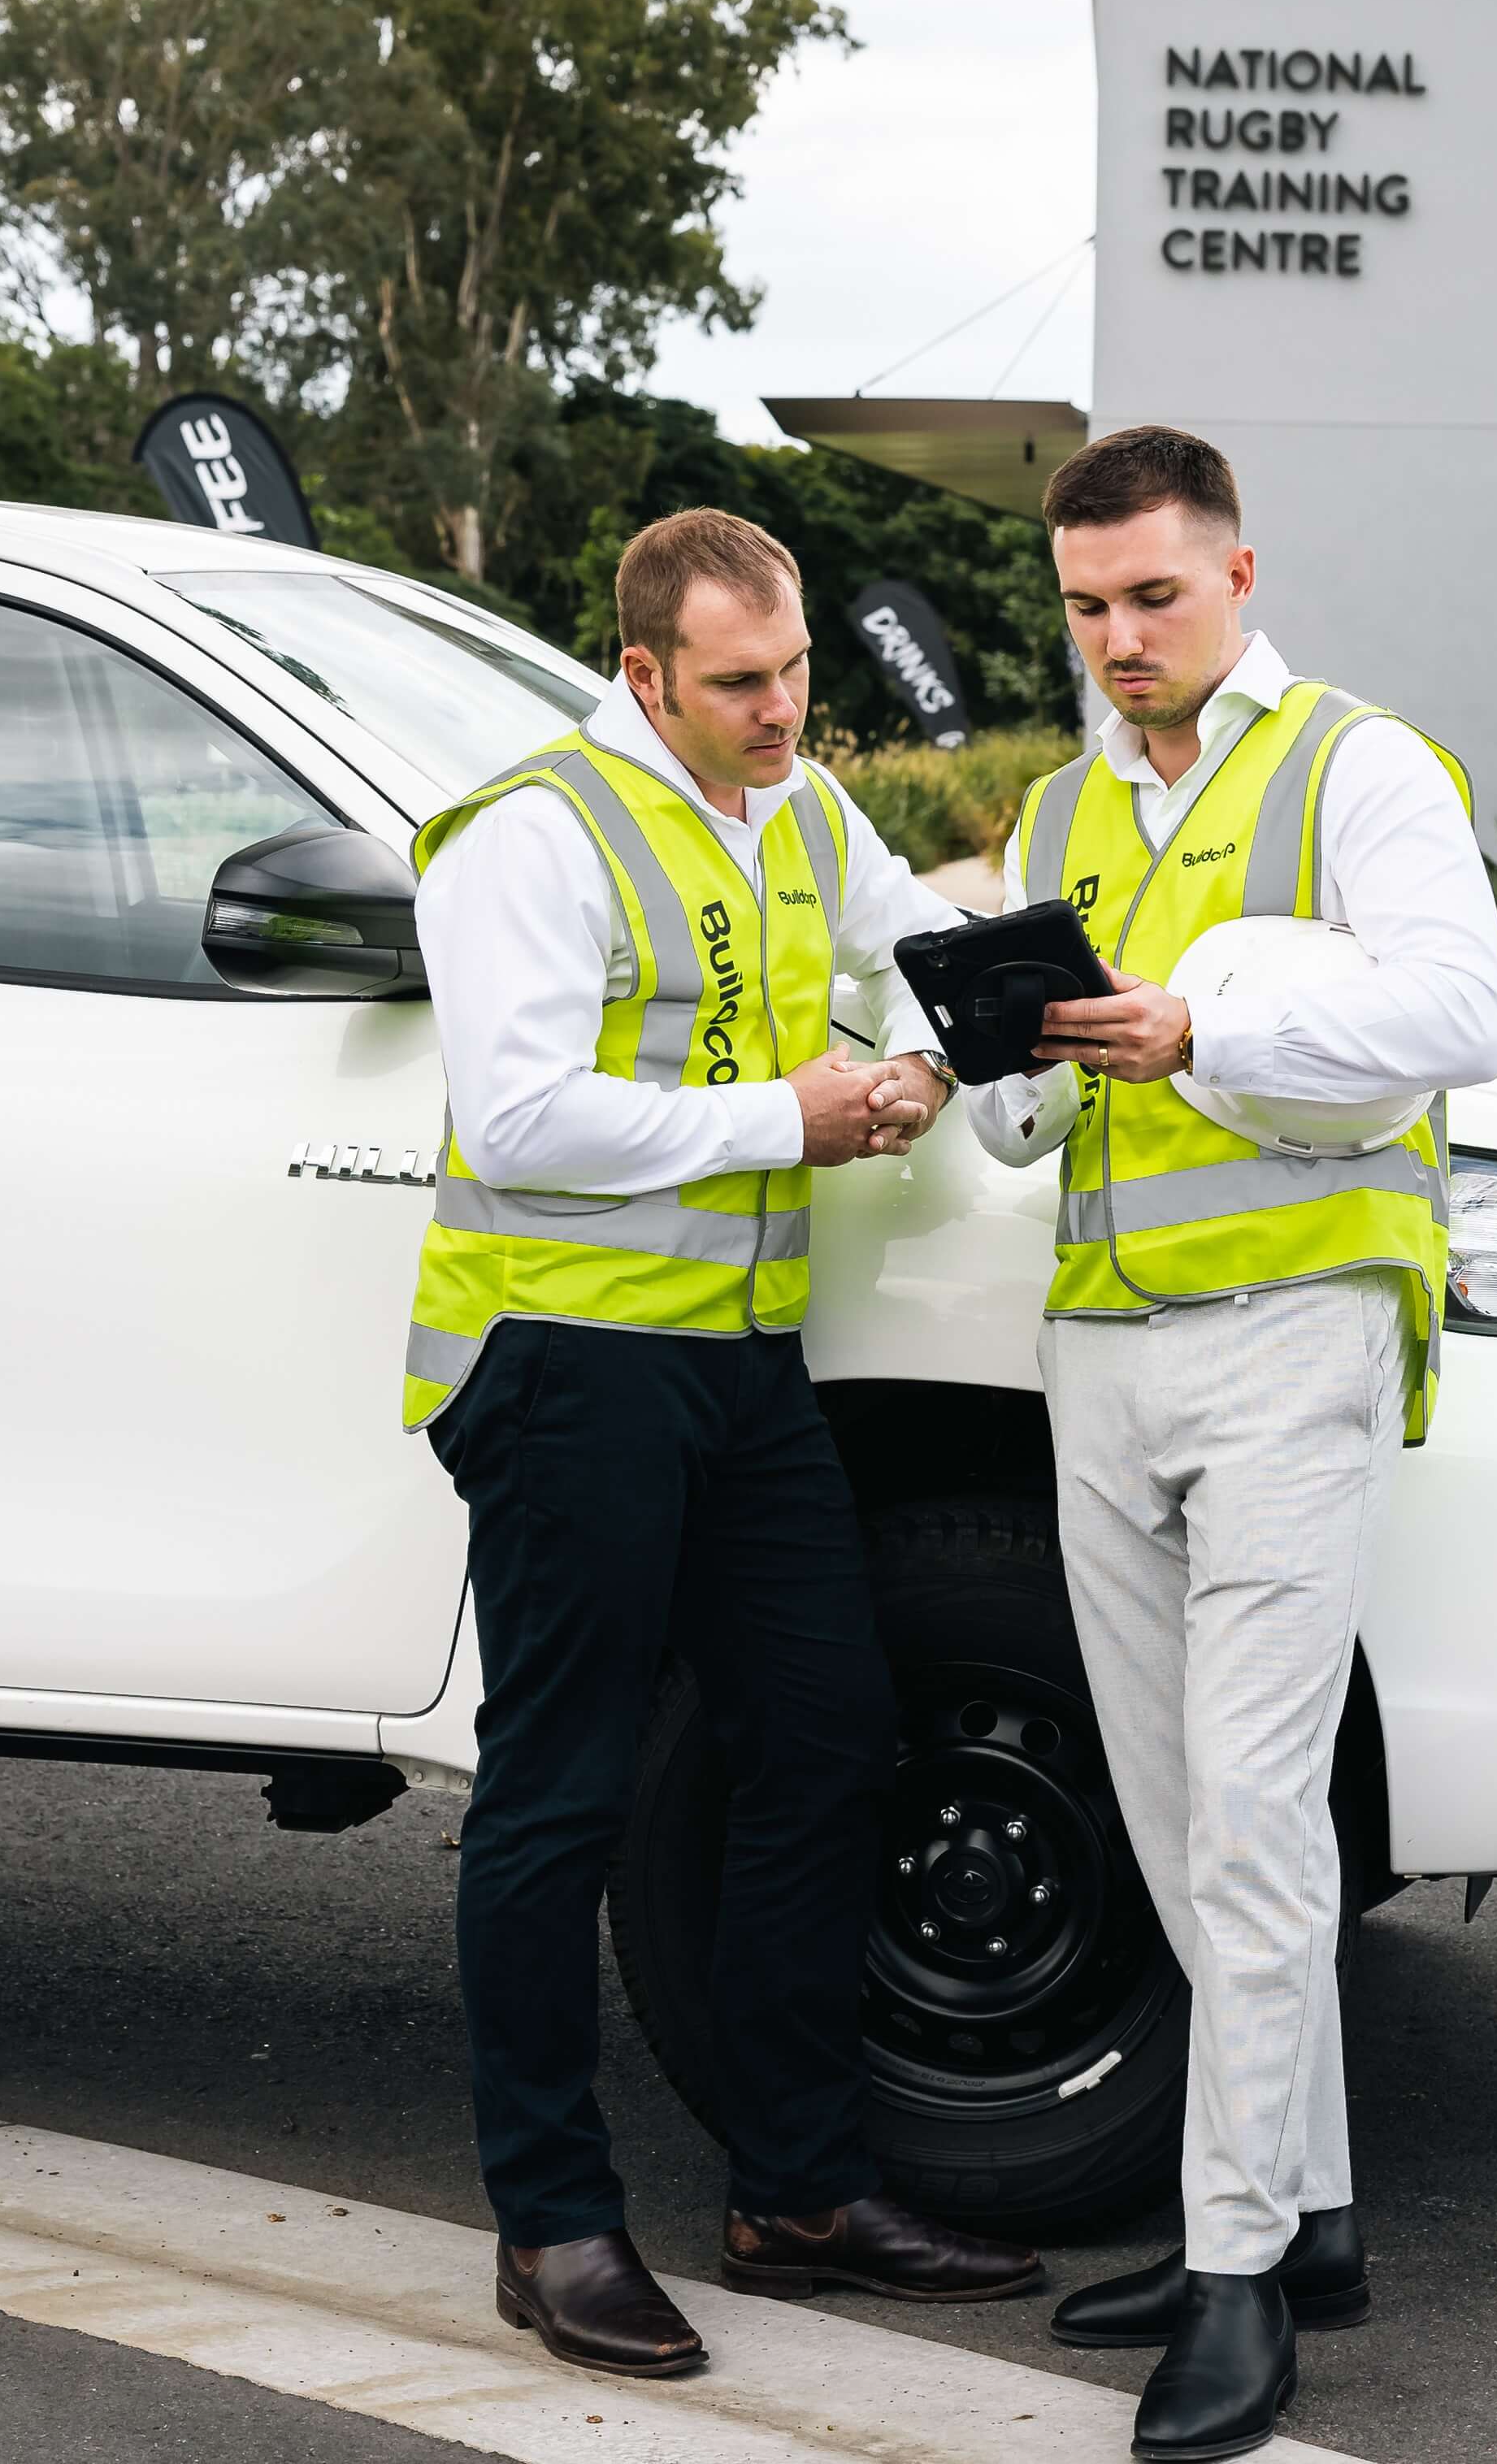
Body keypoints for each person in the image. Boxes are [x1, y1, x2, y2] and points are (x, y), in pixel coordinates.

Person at [404, 506, 1043, 2379]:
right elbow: (520, 1114)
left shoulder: (803, 810)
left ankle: (799, 2187)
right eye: (742, 684)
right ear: (643, 673)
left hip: (743, 1366)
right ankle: (551, 2219)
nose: (784, 714)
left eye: (799, 677)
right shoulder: (533, 831)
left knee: (827, 1737)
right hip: (565, 1360)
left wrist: (970, 1055)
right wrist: (799, 1111)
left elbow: (926, 949)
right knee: (562, 1790)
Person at [960, 427, 1497, 2463]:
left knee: (1261, 1819)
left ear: (1239, 574)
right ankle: (1316, 2216)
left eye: (1154, 597)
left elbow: (1463, 1016)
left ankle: (1232, 2279)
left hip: (1295, 1337)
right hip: (1106, 1339)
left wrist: (1208, 1033)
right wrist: (987, 1051)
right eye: (1089, 604)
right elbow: (1028, 1123)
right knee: (1186, 1811)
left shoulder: (1360, 763)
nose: (1119, 635)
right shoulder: (1057, 806)